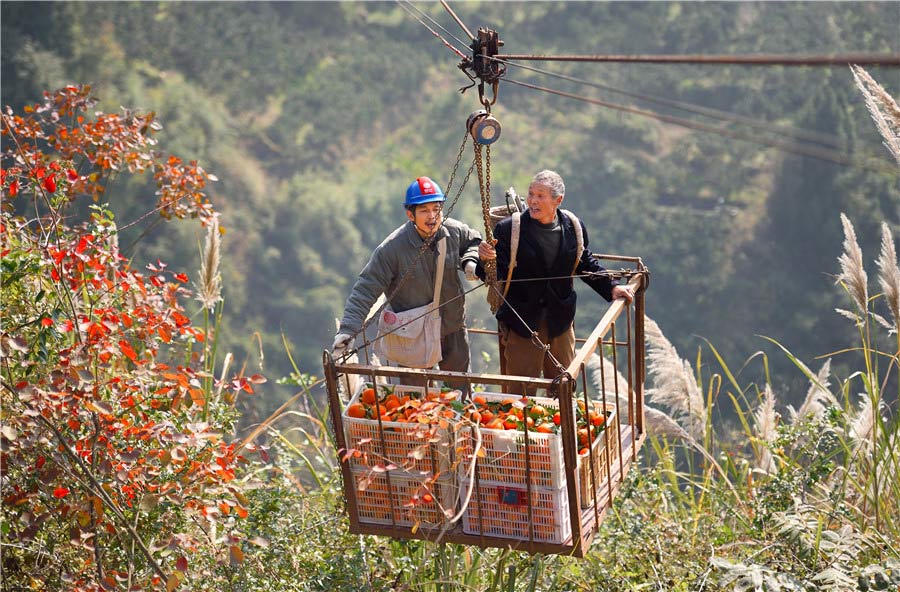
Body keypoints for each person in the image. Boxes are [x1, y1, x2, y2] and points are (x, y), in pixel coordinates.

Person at [477, 169, 634, 380]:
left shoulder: (573, 227)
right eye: (531, 194)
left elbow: (584, 262)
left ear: (558, 200)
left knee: (563, 383)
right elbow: (494, 275)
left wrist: (612, 286)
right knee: (522, 389)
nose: (533, 200)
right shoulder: (510, 229)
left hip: (559, 320)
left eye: (540, 196)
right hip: (522, 321)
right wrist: (486, 260)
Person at [332, 176, 482, 373]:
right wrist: (348, 331)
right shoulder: (392, 249)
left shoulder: (453, 231)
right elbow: (365, 290)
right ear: (410, 215)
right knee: (414, 399)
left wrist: (470, 261)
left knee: (460, 393)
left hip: (452, 327)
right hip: (413, 334)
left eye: (436, 209)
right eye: (424, 211)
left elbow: (474, 242)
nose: (432, 216)